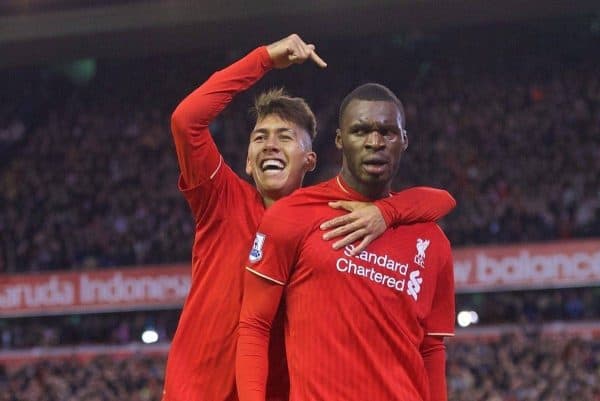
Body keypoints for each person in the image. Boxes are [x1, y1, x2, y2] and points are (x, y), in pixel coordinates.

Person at [164, 33, 455, 401]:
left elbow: (441, 200)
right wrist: (265, 58)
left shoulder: (323, 221)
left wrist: (385, 212)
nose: (270, 144)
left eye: (285, 137)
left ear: (310, 160)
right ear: (248, 161)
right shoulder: (221, 200)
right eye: (259, 138)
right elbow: (185, 121)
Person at [237, 83, 455, 401]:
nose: (374, 142)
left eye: (388, 132)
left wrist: (388, 212)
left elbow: (431, 349)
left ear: (404, 140)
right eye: (360, 131)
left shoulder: (432, 241)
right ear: (340, 140)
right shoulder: (293, 215)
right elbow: (254, 325)